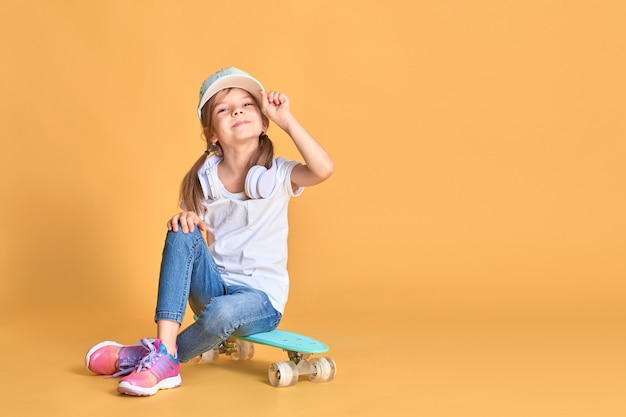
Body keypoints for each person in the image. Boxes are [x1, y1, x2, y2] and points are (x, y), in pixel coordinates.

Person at [84, 67, 334, 396]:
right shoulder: (205, 177)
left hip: (259, 302)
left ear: (262, 122)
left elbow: (323, 169)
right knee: (180, 228)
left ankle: (150, 356)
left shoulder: (279, 174)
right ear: (212, 134)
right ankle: (164, 359)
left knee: (223, 311)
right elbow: (192, 243)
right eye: (224, 109)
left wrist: (287, 120)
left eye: (247, 105)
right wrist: (185, 221)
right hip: (212, 291)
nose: (237, 111)